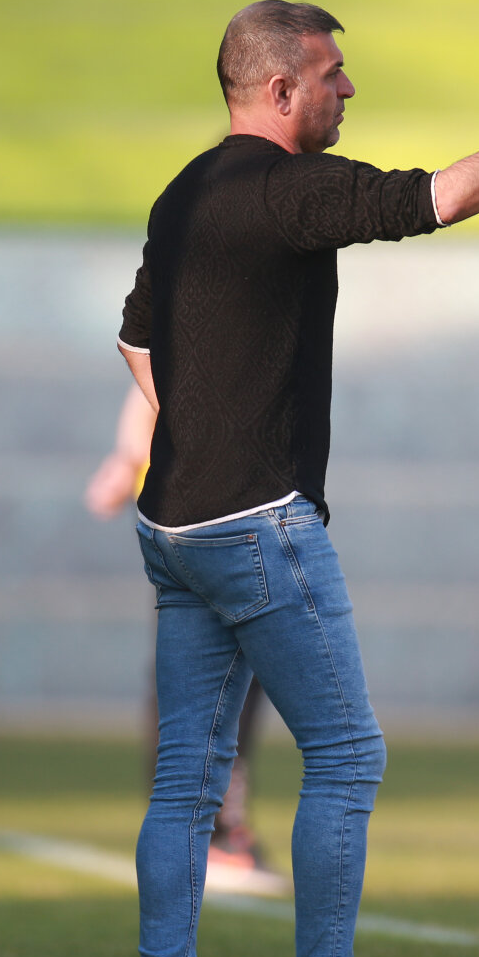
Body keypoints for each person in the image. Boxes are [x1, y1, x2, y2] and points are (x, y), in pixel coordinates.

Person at [116, 0, 479, 957]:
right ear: (279, 90)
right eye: (331, 74)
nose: (347, 89)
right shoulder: (288, 191)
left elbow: (133, 341)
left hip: (173, 528)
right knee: (348, 755)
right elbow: (441, 196)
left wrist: (201, 432)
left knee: (184, 785)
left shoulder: (185, 192)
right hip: (255, 527)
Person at [84, 384, 289, 897]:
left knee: (213, 671)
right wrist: (129, 453)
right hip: (203, 510)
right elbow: (152, 374)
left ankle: (200, 832)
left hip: (210, 507)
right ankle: (208, 834)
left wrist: (127, 456)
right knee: (213, 672)